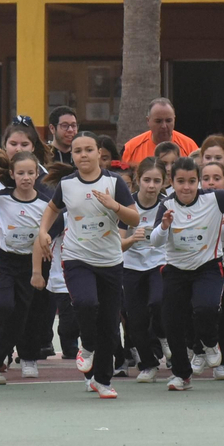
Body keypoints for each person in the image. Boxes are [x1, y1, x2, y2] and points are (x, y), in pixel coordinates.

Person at [33, 133, 140, 398]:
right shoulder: (68, 184)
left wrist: (114, 205)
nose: (83, 155)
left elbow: (134, 217)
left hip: (110, 261)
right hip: (77, 257)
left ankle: (101, 380)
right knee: (85, 303)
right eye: (78, 151)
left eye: (89, 150)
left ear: (99, 153)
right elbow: (51, 209)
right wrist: (43, 232)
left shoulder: (113, 182)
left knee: (109, 325)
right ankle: (87, 346)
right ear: (73, 156)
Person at [150, 158, 224, 390]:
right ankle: (181, 375)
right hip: (175, 271)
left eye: (192, 181)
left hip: (208, 268)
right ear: (171, 182)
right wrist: (164, 226)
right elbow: (155, 242)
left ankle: (210, 343)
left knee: (205, 308)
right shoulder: (166, 205)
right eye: (180, 181)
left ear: (198, 182)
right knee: (172, 321)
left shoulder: (214, 198)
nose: (186, 187)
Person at [0, 150, 51, 384]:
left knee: (19, 320)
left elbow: (41, 240)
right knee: (5, 306)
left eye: (31, 173)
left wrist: (37, 272)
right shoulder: (0, 199)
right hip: (5, 260)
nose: (26, 177)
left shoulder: (43, 204)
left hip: (29, 262)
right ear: (12, 174)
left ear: (37, 174)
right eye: (20, 173)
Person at [116, 158, 166, 384]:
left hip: (159, 263)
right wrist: (132, 240)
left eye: (157, 180)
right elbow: (119, 243)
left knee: (157, 302)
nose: (152, 185)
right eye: (147, 180)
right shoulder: (128, 206)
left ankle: (164, 337)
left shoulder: (167, 205)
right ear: (138, 180)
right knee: (135, 320)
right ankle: (148, 363)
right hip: (132, 265)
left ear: (164, 182)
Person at [120, 98, 199, 166]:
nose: (164, 126)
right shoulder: (131, 148)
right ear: (148, 121)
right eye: (158, 121)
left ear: (174, 119)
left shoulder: (189, 146)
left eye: (168, 121)